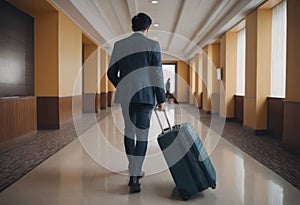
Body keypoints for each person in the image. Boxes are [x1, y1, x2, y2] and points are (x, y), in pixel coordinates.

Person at [107, 13, 166, 194]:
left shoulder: (119, 45)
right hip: (146, 97)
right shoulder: (152, 45)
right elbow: (157, 74)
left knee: (129, 131)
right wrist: (161, 99)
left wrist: (123, 86)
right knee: (142, 134)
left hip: (126, 96)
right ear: (147, 28)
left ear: (132, 26)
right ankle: (135, 173)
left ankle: (133, 168)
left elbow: (111, 73)